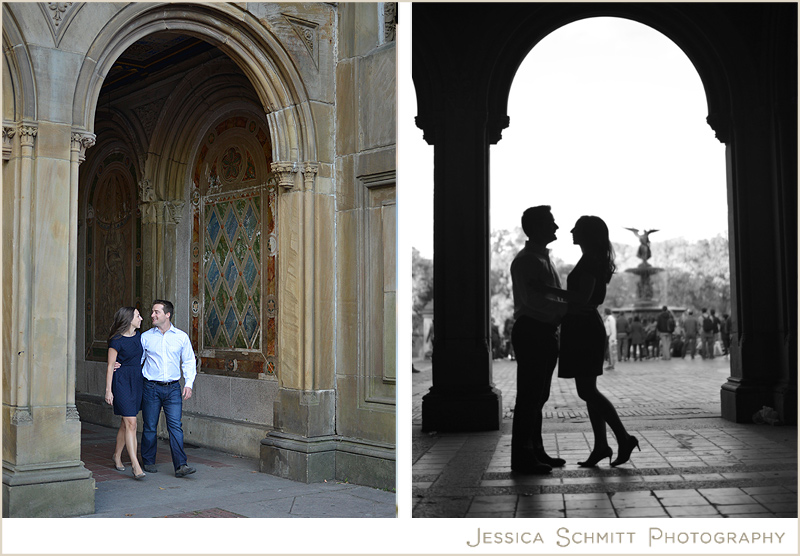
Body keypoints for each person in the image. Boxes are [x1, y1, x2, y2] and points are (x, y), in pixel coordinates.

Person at [537, 215, 639, 468]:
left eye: (577, 228)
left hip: (583, 328)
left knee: (587, 391)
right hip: (583, 326)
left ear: (587, 235)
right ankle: (601, 446)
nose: (571, 231)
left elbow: (581, 298)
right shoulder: (593, 260)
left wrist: (546, 290)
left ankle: (623, 438)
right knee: (588, 391)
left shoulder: (590, 262)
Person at [509, 205, 569, 474]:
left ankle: (535, 449)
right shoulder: (527, 261)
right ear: (536, 227)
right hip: (533, 329)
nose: (556, 227)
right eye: (551, 223)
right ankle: (523, 455)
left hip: (543, 330)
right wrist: (565, 311)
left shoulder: (542, 259)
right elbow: (533, 301)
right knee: (529, 396)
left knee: (539, 395)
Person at [140, 300, 198, 478]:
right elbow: (137, 361)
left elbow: (189, 361)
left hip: (173, 388)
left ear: (167, 315)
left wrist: (188, 383)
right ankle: (148, 460)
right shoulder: (146, 337)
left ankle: (181, 465)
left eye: (156, 312)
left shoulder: (181, 337)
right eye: (152, 312)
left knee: (175, 426)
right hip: (151, 387)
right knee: (150, 426)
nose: (152, 315)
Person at [105, 307, 146, 480]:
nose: (141, 318)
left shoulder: (139, 337)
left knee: (125, 422)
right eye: (138, 316)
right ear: (129, 319)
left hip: (136, 380)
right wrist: (108, 390)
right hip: (121, 382)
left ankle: (116, 455)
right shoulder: (116, 340)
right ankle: (135, 465)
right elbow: (110, 365)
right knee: (132, 423)